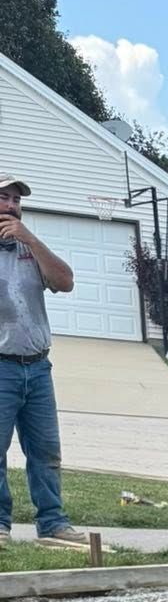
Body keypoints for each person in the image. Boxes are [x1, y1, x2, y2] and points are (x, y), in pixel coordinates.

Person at [0, 175, 88, 548]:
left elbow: (65, 282)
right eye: (4, 198)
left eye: (16, 201)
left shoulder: (29, 250)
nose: (11, 206)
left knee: (46, 450)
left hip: (37, 367)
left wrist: (31, 240)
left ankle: (52, 524)